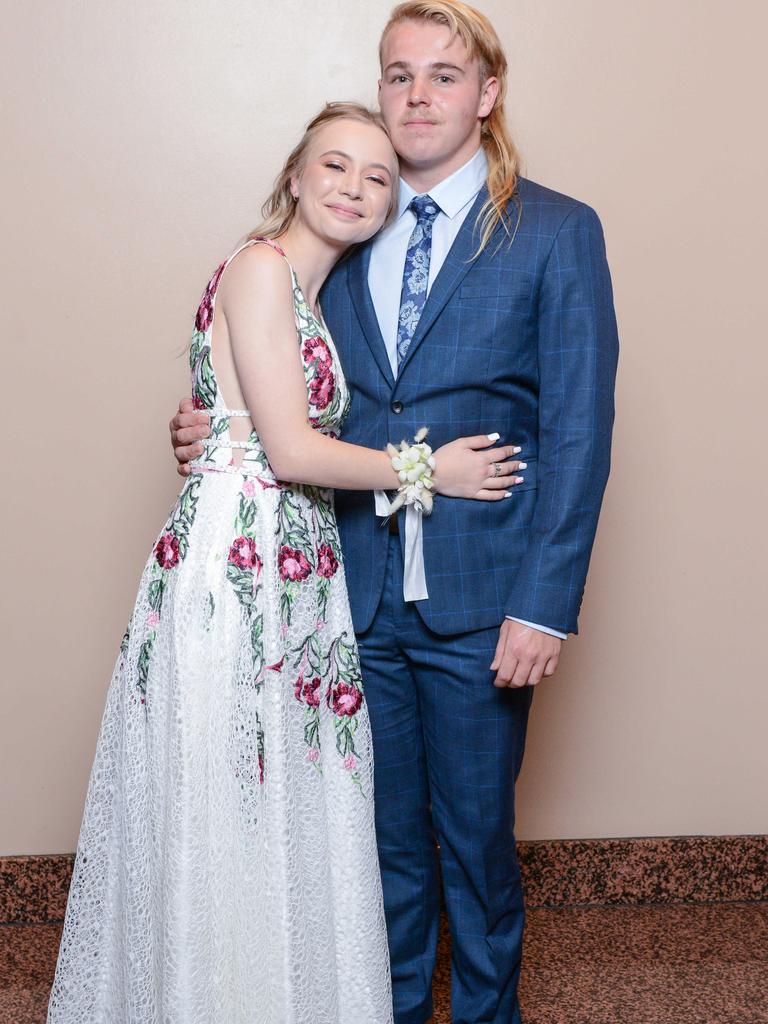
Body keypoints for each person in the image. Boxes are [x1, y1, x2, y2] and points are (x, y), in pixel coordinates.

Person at [172, 3, 620, 1022]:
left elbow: (581, 433)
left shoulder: (556, 231)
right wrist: (216, 428)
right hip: (345, 597)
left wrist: (544, 605)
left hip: (482, 601)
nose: (418, 95)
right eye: (399, 74)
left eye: (444, 76)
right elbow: (280, 379)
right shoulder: (346, 223)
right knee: (372, 847)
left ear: (487, 93)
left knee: (474, 843)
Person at [47, 102, 525, 1024]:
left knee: (266, 803)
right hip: (241, 569)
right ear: (294, 179)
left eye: (378, 178)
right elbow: (294, 452)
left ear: (392, 204)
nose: (355, 188)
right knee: (231, 798)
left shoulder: (311, 292)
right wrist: (435, 471)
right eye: (335, 167)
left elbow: (247, 421)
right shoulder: (263, 270)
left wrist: (215, 425)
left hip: (289, 566)